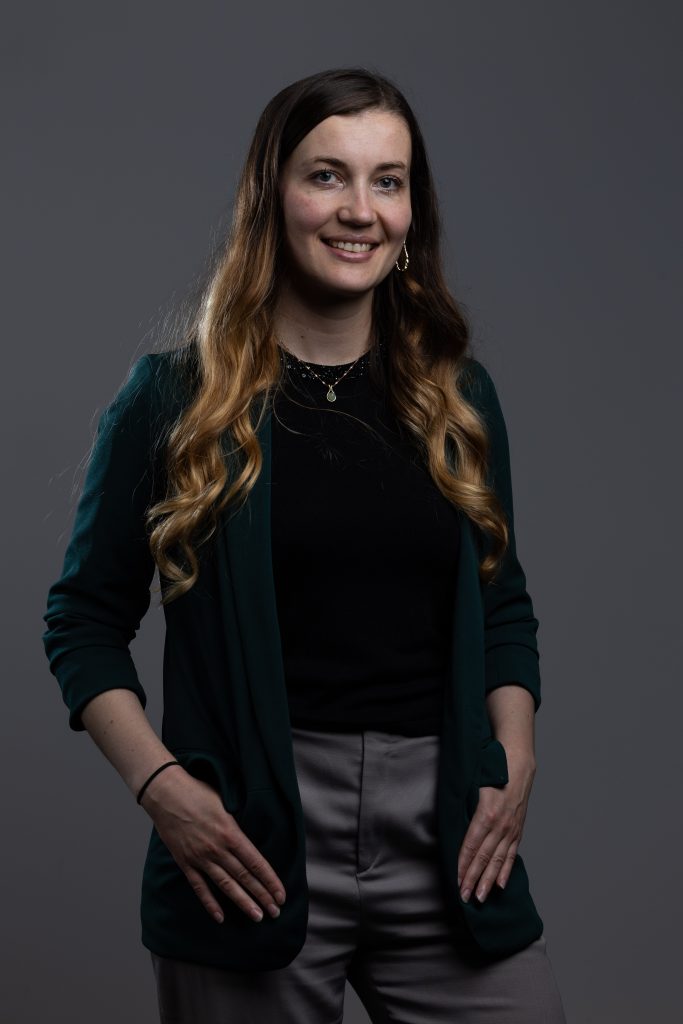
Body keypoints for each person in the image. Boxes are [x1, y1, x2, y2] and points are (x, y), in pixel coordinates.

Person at [42, 67, 567, 1023]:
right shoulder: (172, 399)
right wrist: (161, 788)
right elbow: (82, 620)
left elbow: (502, 605)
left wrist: (516, 756)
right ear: (271, 196)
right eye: (327, 176)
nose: (359, 210)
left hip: (445, 833)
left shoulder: (456, 398)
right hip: (250, 845)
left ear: (412, 211)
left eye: (388, 180)